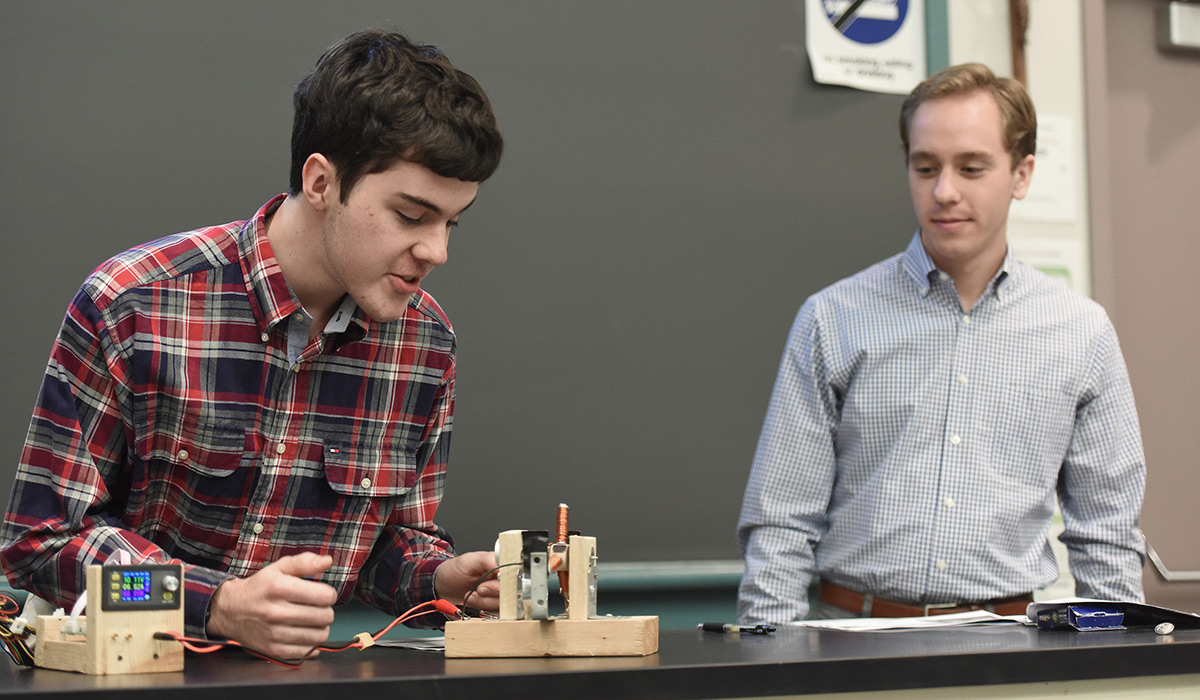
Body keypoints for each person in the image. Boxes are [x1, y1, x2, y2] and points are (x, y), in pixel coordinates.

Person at [1, 29, 505, 660]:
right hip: (120, 673)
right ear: (320, 182)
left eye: (451, 222)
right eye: (411, 216)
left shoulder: (426, 345)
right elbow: (42, 544)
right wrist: (215, 606)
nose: (437, 251)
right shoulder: (133, 303)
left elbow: (383, 548)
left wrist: (435, 580)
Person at [736, 63, 1146, 623]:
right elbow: (781, 521)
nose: (944, 191)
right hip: (853, 641)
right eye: (925, 167)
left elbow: (1107, 537)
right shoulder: (834, 318)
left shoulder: (1080, 332)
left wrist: (1115, 663)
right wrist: (772, 660)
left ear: (1022, 174)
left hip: (1010, 648)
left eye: (971, 168)